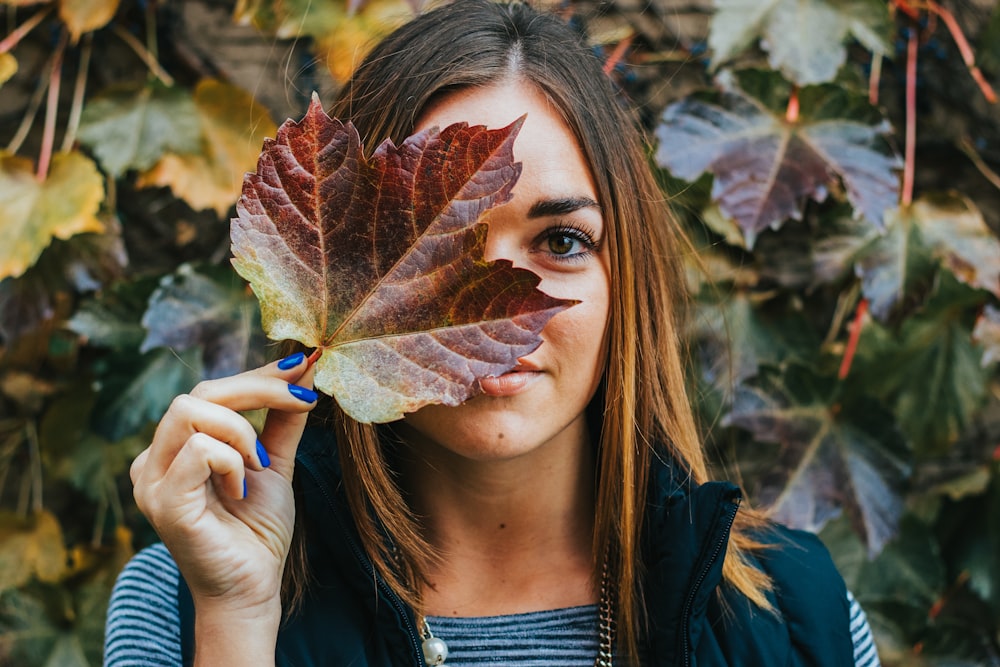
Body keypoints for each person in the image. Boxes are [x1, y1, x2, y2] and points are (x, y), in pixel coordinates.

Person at [104, 1, 880, 665]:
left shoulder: (800, 615)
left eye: (564, 242)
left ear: (626, 277)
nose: (502, 316)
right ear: (339, 270)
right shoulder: (187, 597)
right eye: (445, 247)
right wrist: (238, 619)